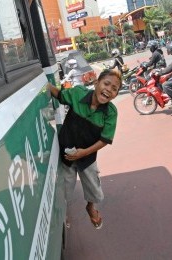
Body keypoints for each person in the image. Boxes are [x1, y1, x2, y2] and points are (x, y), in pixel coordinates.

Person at [48, 69, 122, 229]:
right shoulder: (77, 94)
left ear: (116, 94)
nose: (109, 89)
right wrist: (43, 85)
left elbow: (105, 139)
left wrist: (84, 152)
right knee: (65, 189)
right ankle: (63, 212)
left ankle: (90, 206)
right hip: (66, 155)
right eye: (106, 83)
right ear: (96, 83)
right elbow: (59, 95)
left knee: (94, 189)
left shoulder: (110, 112)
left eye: (114, 88)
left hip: (87, 157)